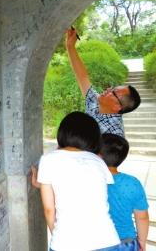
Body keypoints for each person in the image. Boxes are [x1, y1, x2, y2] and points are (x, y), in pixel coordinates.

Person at [37, 111, 121, 251]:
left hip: (67, 243)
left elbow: (49, 209)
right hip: (107, 240)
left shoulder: (48, 159)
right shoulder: (99, 161)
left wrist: (57, 236)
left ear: (63, 133)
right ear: (94, 138)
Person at [65, 28, 141, 137]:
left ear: (117, 107)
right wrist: (70, 46)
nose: (108, 89)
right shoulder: (95, 102)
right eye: (112, 88)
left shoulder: (114, 134)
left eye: (113, 92)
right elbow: (82, 77)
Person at [100, 133, 149, 251]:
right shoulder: (132, 183)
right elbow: (142, 217)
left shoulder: (89, 180)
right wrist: (141, 242)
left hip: (97, 241)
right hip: (126, 243)